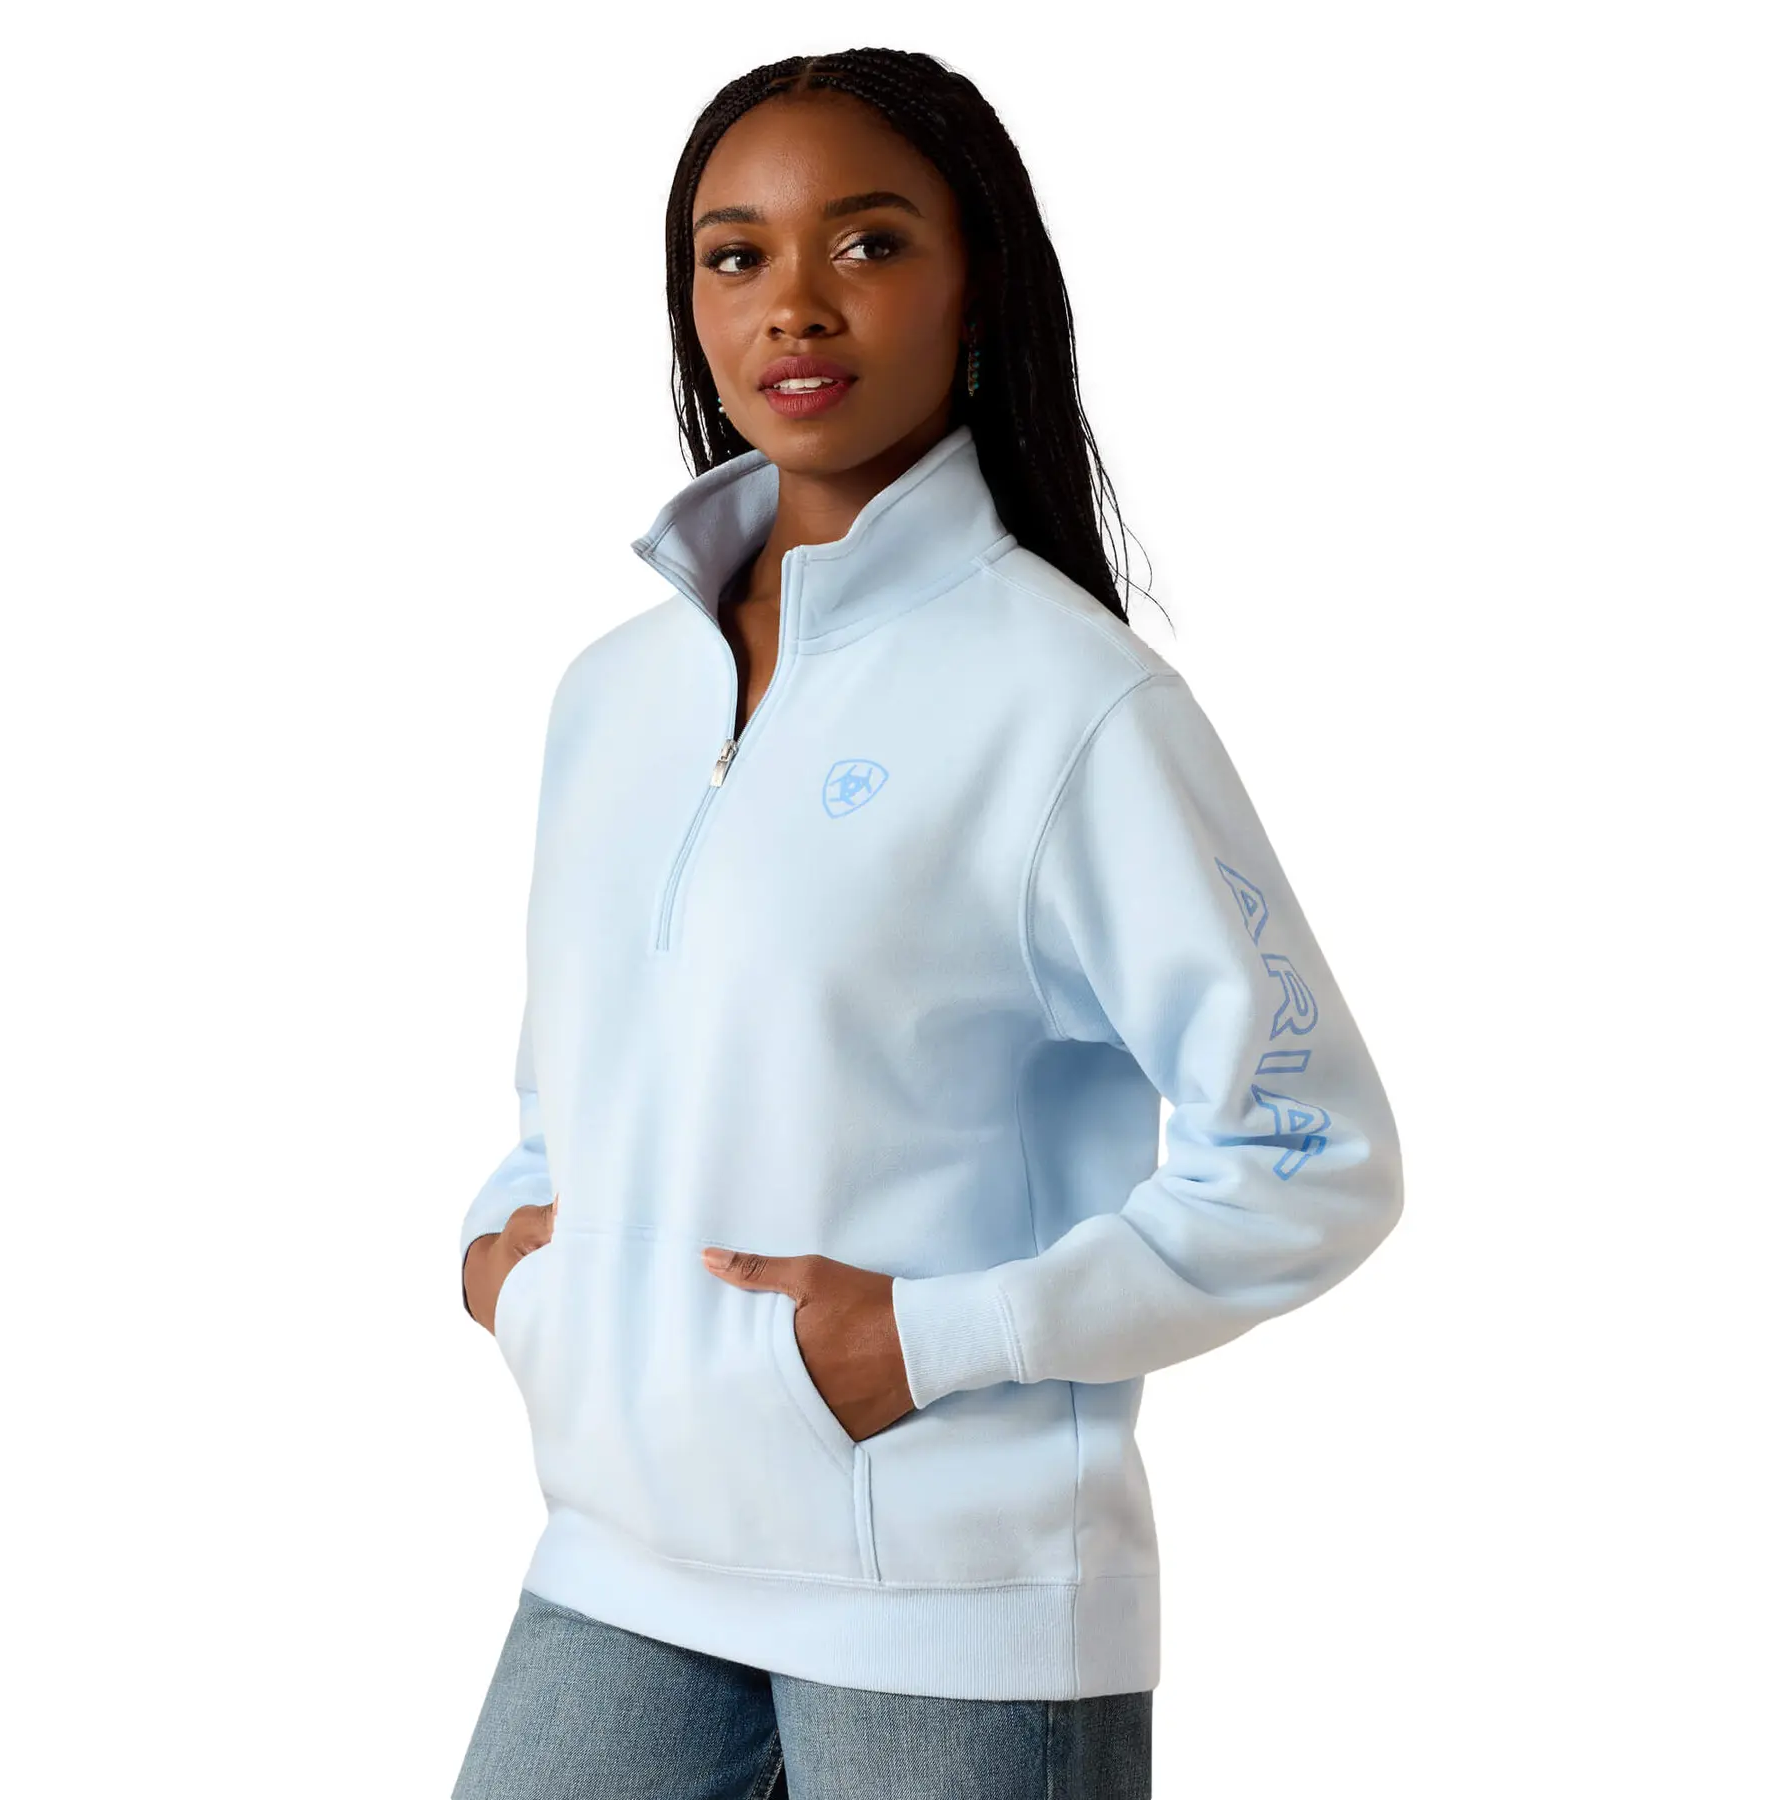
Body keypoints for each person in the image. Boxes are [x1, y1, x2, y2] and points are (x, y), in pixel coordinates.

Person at [451, 46, 1403, 1800]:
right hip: (619, 1547)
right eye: (736, 255)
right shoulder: (613, 694)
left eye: (870, 243)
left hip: (954, 1586)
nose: (795, 304)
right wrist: (515, 1270)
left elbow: (1313, 1154)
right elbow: (570, 1087)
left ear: (977, 289)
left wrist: (932, 1343)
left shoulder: (1070, 702)